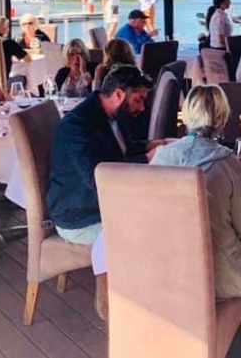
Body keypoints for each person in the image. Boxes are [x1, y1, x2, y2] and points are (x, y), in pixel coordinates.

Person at [47, 65, 164, 320]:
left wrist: (154, 145)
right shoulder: (77, 127)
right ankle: (117, 305)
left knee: (161, 216)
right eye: (139, 100)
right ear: (120, 94)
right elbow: (97, 177)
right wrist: (146, 158)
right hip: (78, 215)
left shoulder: (108, 116)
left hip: (102, 204)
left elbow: (118, 152)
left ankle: (147, 296)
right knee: (150, 230)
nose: (142, 108)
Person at [150, 85, 241, 302]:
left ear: (187, 115)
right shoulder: (228, 163)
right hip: (219, 279)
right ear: (222, 118)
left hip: (167, 272)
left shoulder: (161, 158)